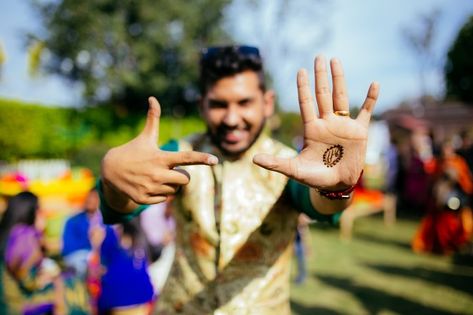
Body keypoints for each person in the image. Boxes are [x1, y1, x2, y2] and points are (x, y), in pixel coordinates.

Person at [99, 45, 379, 314]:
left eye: (244, 102)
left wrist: (338, 187)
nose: (232, 118)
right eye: (219, 104)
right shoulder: (181, 154)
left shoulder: (291, 165)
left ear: (267, 103)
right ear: (202, 106)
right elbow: (123, 206)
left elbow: (323, 207)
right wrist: (112, 182)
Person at [0, 191, 65, 314]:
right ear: (31, 211)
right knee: (62, 290)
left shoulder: (7, 232)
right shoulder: (24, 235)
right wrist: (45, 279)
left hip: (5, 303)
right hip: (16, 305)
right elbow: (27, 281)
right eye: (39, 209)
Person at [61, 188, 102, 278]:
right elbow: (69, 248)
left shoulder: (104, 223)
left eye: (95, 197)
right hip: (77, 258)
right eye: (89, 197)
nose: (91, 200)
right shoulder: (73, 221)